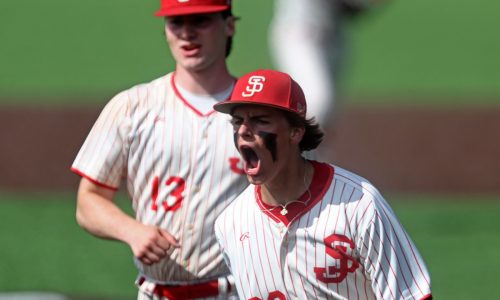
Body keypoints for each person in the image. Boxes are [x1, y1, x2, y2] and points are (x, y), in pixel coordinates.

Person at [70, 0, 249, 298]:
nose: (186, 34)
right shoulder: (132, 107)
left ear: (228, 25)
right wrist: (131, 230)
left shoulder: (258, 112)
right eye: (176, 22)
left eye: (200, 20)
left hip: (237, 292)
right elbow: (88, 202)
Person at [213, 69, 432, 300]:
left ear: (295, 132)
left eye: (260, 121)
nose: (244, 130)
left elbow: (410, 295)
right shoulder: (231, 224)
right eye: (237, 121)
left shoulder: (359, 203)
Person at [269, 0, 383, 129]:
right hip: (301, 34)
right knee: (319, 101)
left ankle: (310, 148)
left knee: (330, 111)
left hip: (334, 37)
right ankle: (273, 143)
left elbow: (350, 10)